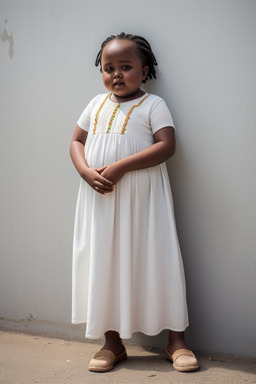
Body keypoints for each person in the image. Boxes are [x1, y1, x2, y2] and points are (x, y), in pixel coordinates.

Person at [70, 32, 199, 373]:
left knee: (158, 259)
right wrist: (85, 171)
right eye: (108, 67)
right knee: (105, 263)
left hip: (144, 203)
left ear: (144, 72)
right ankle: (112, 343)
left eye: (125, 67)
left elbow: (166, 146)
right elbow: (76, 141)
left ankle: (177, 341)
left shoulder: (153, 105)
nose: (116, 74)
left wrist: (121, 166)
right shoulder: (94, 104)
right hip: (101, 200)